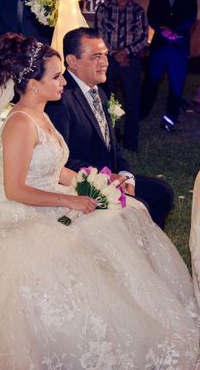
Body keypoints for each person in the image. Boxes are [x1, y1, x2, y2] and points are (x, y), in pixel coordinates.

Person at [0, 33, 200, 370]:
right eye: (56, 77)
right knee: (89, 245)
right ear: (32, 84)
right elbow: (16, 190)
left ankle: (143, 313)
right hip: (21, 213)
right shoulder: (19, 123)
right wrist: (74, 203)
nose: (63, 83)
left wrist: (92, 184)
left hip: (50, 197)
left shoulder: (40, 114)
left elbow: (57, 169)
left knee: (129, 212)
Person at [45, 27, 175, 229]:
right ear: (72, 61)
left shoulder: (100, 92)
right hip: (85, 187)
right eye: (96, 56)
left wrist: (126, 175)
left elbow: (113, 145)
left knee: (163, 192)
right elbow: (61, 160)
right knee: (142, 206)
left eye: (105, 55)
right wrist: (105, 179)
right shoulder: (61, 100)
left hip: (113, 181)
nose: (105, 62)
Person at [94, 0, 148, 151]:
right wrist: (115, 54)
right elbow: (99, 34)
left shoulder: (138, 11)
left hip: (130, 61)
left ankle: (131, 142)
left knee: (132, 102)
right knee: (109, 101)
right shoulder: (104, 8)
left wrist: (126, 52)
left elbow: (143, 38)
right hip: (108, 61)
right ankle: (112, 138)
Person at [141, 0, 197, 132]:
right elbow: (151, 16)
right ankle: (142, 112)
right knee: (151, 81)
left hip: (179, 48)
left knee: (176, 85)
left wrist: (173, 31)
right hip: (159, 47)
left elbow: (190, 18)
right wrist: (162, 29)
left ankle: (169, 119)